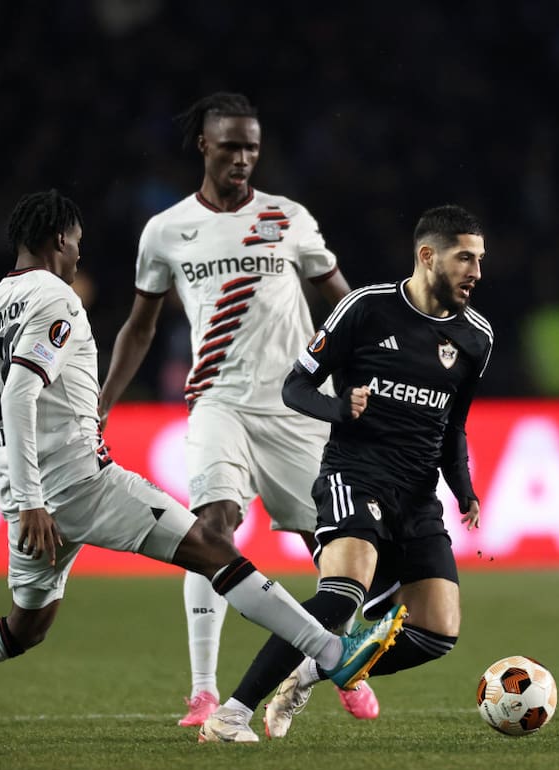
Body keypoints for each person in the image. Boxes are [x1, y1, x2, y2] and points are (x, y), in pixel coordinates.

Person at [0, 190, 405, 750]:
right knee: (215, 548)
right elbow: (19, 393)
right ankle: (333, 653)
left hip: (27, 494)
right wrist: (33, 500)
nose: (78, 257)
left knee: (26, 627)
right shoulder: (57, 298)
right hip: (78, 484)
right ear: (59, 241)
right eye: (77, 246)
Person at [97, 91, 380, 728]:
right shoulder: (166, 231)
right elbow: (139, 328)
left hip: (295, 405)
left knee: (333, 548)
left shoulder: (289, 218)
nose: (243, 158)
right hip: (218, 401)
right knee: (212, 529)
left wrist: (371, 368)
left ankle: (336, 664)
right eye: (230, 146)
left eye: (252, 147)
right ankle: (203, 691)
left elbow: (344, 301)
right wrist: (103, 405)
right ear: (204, 144)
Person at [200, 204, 493, 743]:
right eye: (464, 258)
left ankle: (309, 672)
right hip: (354, 475)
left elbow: (455, 426)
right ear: (428, 256)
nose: (475, 271)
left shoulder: (477, 338)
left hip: (418, 496)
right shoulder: (366, 308)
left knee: (437, 633)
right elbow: (296, 386)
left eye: (479, 259)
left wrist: (464, 489)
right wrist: (341, 410)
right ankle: (231, 713)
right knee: (341, 598)